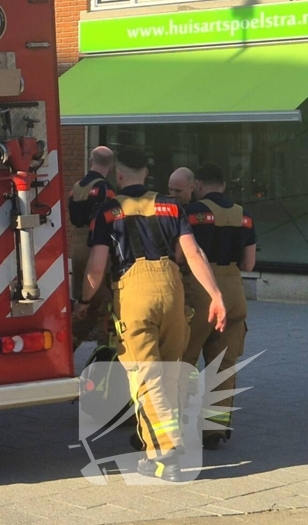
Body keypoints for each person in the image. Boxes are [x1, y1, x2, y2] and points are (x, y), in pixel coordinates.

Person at [76, 147, 226, 482]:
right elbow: (192, 252)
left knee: (147, 376)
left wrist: (84, 301)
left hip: (134, 291)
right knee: (170, 372)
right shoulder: (171, 206)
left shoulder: (109, 211)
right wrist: (216, 295)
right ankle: (158, 444)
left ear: (119, 175)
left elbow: (97, 266)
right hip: (172, 289)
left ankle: (164, 457)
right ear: (147, 172)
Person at [181, 163, 255, 450]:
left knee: (184, 359)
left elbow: (181, 254)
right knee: (223, 363)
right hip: (234, 290)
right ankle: (215, 428)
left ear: (198, 185)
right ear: (223, 184)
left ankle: (178, 424)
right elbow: (249, 264)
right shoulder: (244, 214)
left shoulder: (191, 213)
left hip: (200, 289)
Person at [68, 146, 115, 350]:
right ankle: (106, 350)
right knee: (107, 302)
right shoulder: (107, 189)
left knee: (84, 300)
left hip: (77, 247)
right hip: (97, 247)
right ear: (111, 166)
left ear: (90, 161)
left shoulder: (76, 187)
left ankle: (70, 342)